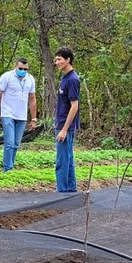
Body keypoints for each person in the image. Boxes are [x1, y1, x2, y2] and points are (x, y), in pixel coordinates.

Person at [0, 57, 38, 172]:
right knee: (10, 143)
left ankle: (10, 166)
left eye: (25, 69)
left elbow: (32, 99)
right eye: (20, 68)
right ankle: (7, 169)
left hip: (21, 116)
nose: (23, 71)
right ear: (15, 66)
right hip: (8, 114)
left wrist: (33, 118)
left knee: (16, 144)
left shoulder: (30, 79)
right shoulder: (6, 77)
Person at [54, 46, 80, 192]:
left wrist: (64, 129)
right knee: (67, 160)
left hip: (65, 126)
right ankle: (70, 190)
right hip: (61, 123)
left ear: (68, 60)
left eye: (59, 59)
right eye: (56, 59)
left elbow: (74, 106)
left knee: (62, 162)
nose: (56, 62)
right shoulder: (65, 78)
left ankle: (62, 192)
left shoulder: (73, 79)